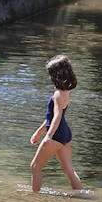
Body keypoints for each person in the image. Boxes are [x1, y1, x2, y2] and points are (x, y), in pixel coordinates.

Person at [29, 55, 83, 192]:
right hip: (65, 134)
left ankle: (34, 200)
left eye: (51, 74)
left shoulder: (58, 93)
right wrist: (39, 131)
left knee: (35, 166)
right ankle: (82, 197)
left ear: (57, 75)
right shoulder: (65, 91)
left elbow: (57, 116)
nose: (50, 77)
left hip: (57, 134)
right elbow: (52, 116)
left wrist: (48, 137)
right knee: (69, 171)